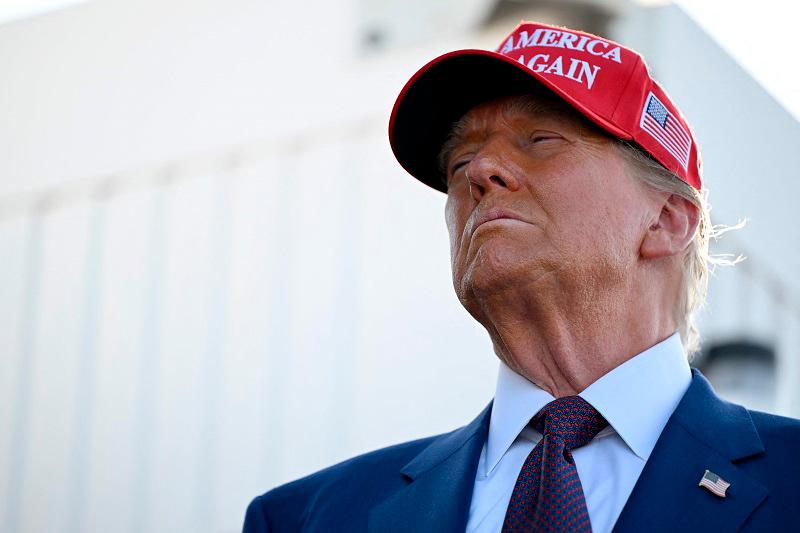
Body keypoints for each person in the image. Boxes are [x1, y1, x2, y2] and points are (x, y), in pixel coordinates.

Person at [243, 20, 800, 533]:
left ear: (664, 221)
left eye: (539, 140)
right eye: (459, 163)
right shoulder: (306, 518)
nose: (480, 173)